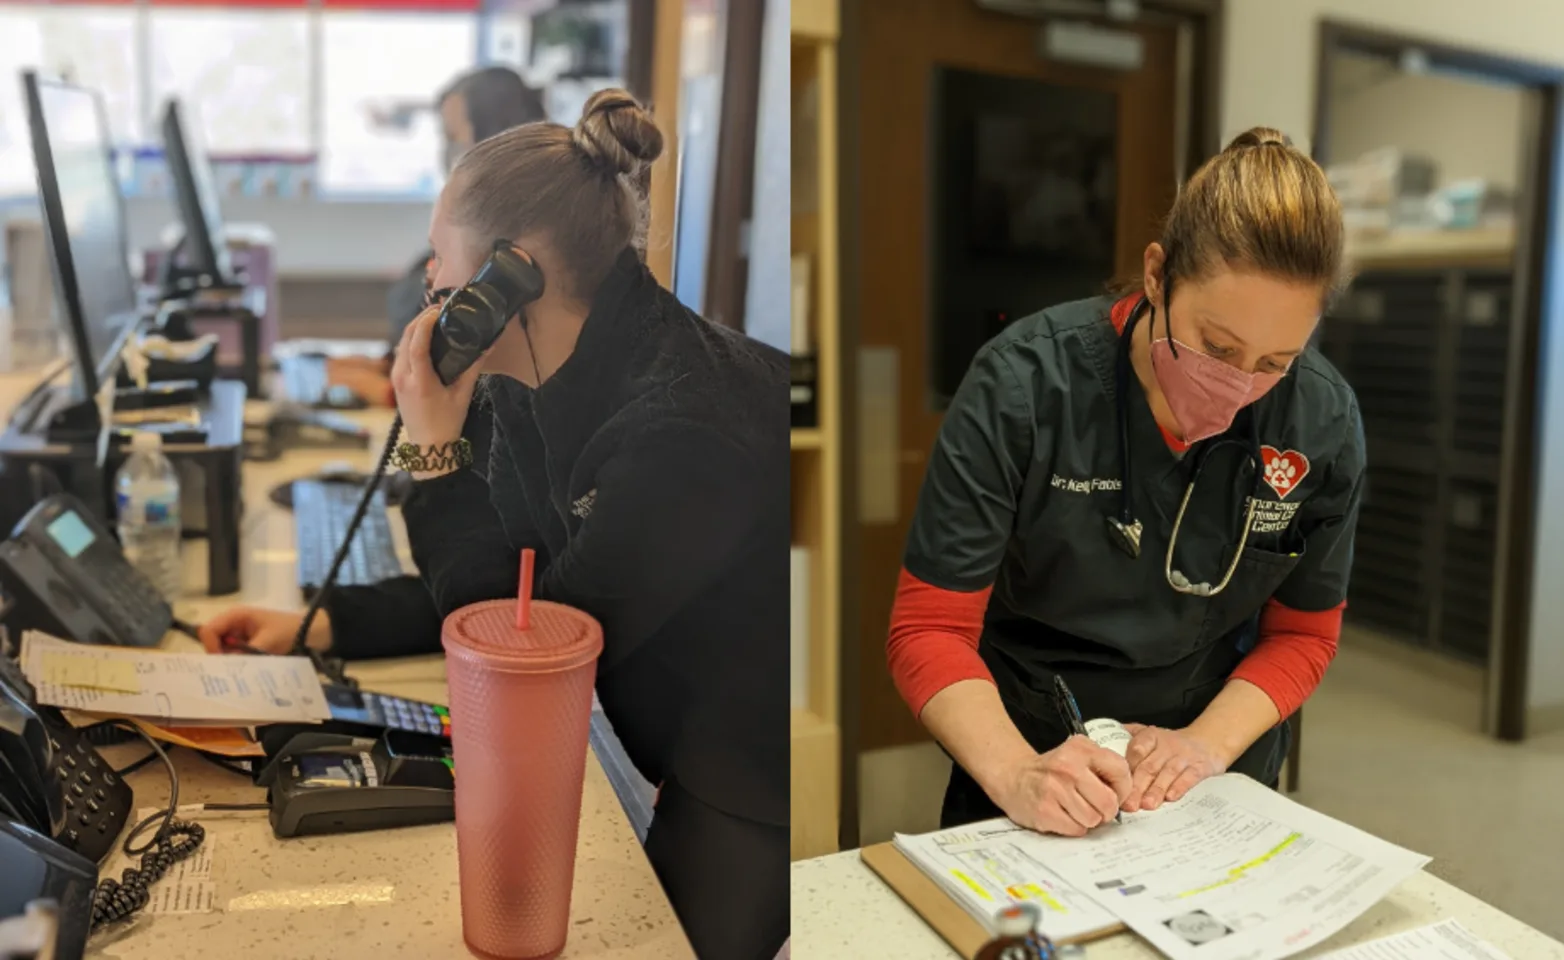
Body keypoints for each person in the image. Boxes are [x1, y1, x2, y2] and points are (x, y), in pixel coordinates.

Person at [202, 89, 789, 960]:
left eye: (440, 258)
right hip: (676, 718)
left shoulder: (681, 433)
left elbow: (521, 654)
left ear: (508, 275)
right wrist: (327, 625)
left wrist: (432, 455)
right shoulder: (532, 373)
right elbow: (520, 582)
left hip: (753, 762)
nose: (430, 285)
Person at [887, 127, 1365, 836]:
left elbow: (1304, 634)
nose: (1238, 385)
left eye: (1274, 363)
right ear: (1156, 275)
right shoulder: (1025, 387)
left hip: (1214, 769)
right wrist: (1017, 773)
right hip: (1034, 751)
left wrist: (1203, 747)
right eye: (1217, 346)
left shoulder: (1320, 420)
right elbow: (929, 628)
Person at [328, 66, 548, 405]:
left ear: (493, 141)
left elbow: (482, 387)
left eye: (453, 137)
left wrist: (389, 392)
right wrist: (385, 366)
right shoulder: (478, 231)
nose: (446, 152)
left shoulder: (520, 247)